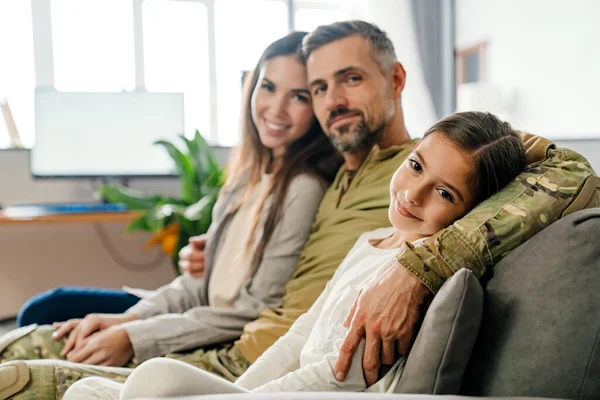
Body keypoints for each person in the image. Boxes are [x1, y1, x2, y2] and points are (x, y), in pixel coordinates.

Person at [0, 20, 595, 400]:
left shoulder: (424, 168)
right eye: (318, 88)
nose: (329, 101)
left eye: (351, 79)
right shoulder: (336, 174)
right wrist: (211, 261)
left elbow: (564, 169)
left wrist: (423, 265)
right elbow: (263, 283)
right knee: (45, 324)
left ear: (396, 78)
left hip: (263, 360)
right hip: (255, 355)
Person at [63, 111, 529, 399]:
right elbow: (299, 334)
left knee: (155, 380)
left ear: (473, 210)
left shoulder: (415, 273)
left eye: (444, 192)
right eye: (415, 166)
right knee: (87, 389)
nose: (413, 194)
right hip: (275, 390)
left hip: (328, 395)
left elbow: (341, 376)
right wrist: (239, 393)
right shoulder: (371, 240)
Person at [0, 30, 341, 372]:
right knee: (47, 309)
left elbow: (249, 311)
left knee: (47, 314)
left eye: (298, 96)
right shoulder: (247, 175)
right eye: (268, 87)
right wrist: (127, 320)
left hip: (215, 326)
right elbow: (197, 285)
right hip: (194, 307)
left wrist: (133, 336)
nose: (276, 109)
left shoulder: (302, 188)